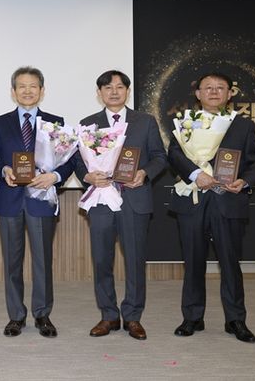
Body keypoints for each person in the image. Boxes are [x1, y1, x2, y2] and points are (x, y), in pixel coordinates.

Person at [169, 72, 255, 343]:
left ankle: (236, 320)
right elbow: (174, 154)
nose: (213, 92)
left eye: (220, 88)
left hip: (228, 201)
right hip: (194, 200)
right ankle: (192, 317)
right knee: (193, 262)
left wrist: (245, 181)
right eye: (208, 88)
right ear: (198, 93)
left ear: (230, 93)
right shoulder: (185, 121)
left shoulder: (242, 125)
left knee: (230, 263)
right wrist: (195, 175)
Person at [0, 66, 75, 338]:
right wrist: (3, 170)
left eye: (33, 86)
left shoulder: (55, 123)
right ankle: (16, 316)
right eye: (21, 86)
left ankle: (42, 314)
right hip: (10, 200)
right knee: (12, 262)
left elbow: (70, 160)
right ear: (13, 91)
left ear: (42, 91)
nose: (27, 91)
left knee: (43, 261)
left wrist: (54, 177)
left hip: (41, 200)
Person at [75, 70, 167, 340]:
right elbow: (78, 161)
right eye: (107, 87)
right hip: (102, 199)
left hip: (134, 199)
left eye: (119, 87)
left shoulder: (145, 121)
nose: (114, 92)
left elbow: (159, 157)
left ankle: (133, 316)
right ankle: (108, 315)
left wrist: (145, 173)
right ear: (99, 93)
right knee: (102, 259)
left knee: (135, 261)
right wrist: (87, 176)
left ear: (127, 91)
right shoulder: (88, 124)